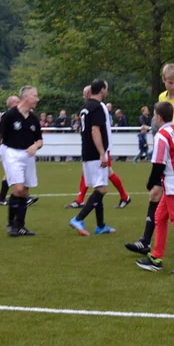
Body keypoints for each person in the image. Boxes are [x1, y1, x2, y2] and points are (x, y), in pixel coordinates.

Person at [134, 102, 174, 276]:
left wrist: (151, 183)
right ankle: (156, 257)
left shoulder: (162, 135)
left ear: (159, 117)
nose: (154, 118)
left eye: (155, 115)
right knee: (160, 216)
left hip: (173, 182)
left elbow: (158, 164)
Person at [65, 85, 131, 210]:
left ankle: (124, 197)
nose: (83, 97)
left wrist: (103, 149)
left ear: (90, 94)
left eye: (85, 94)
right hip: (98, 146)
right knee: (99, 173)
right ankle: (123, 197)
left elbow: (101, 128)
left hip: (102, 147)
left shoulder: (98, 107)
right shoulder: (90, 107)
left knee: (106, 174)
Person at [0, 86, 43, 237]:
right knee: (18, 189)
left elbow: (40, 140)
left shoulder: (33, 119)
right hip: (11, 153)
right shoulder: (10, 115)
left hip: (28, 155)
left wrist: (35, 145)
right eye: (35, 96)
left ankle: (20, 226)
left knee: (25, 191)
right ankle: (11, 224)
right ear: (26, 97)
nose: (37, 99)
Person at [69, 79, 117, 236]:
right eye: (106, 89)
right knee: (102, 189)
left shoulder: (86, 107)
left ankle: (101, 226)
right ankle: (79, 218)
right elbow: (95, 131)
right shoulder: (97, 107)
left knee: (98, 187)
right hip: (96, 154)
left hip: (87, 152)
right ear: (102, 90)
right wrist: (102, 153)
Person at [0, 95, 20, 206]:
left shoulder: (19, 115)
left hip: (17, 149)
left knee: (11, 173)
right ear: (10, 104)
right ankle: (21, 197)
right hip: (9, 148)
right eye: (16, 102)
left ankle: (1, 199)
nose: (19, 103)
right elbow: (0, 134)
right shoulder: (7, 116)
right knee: (14, 172)